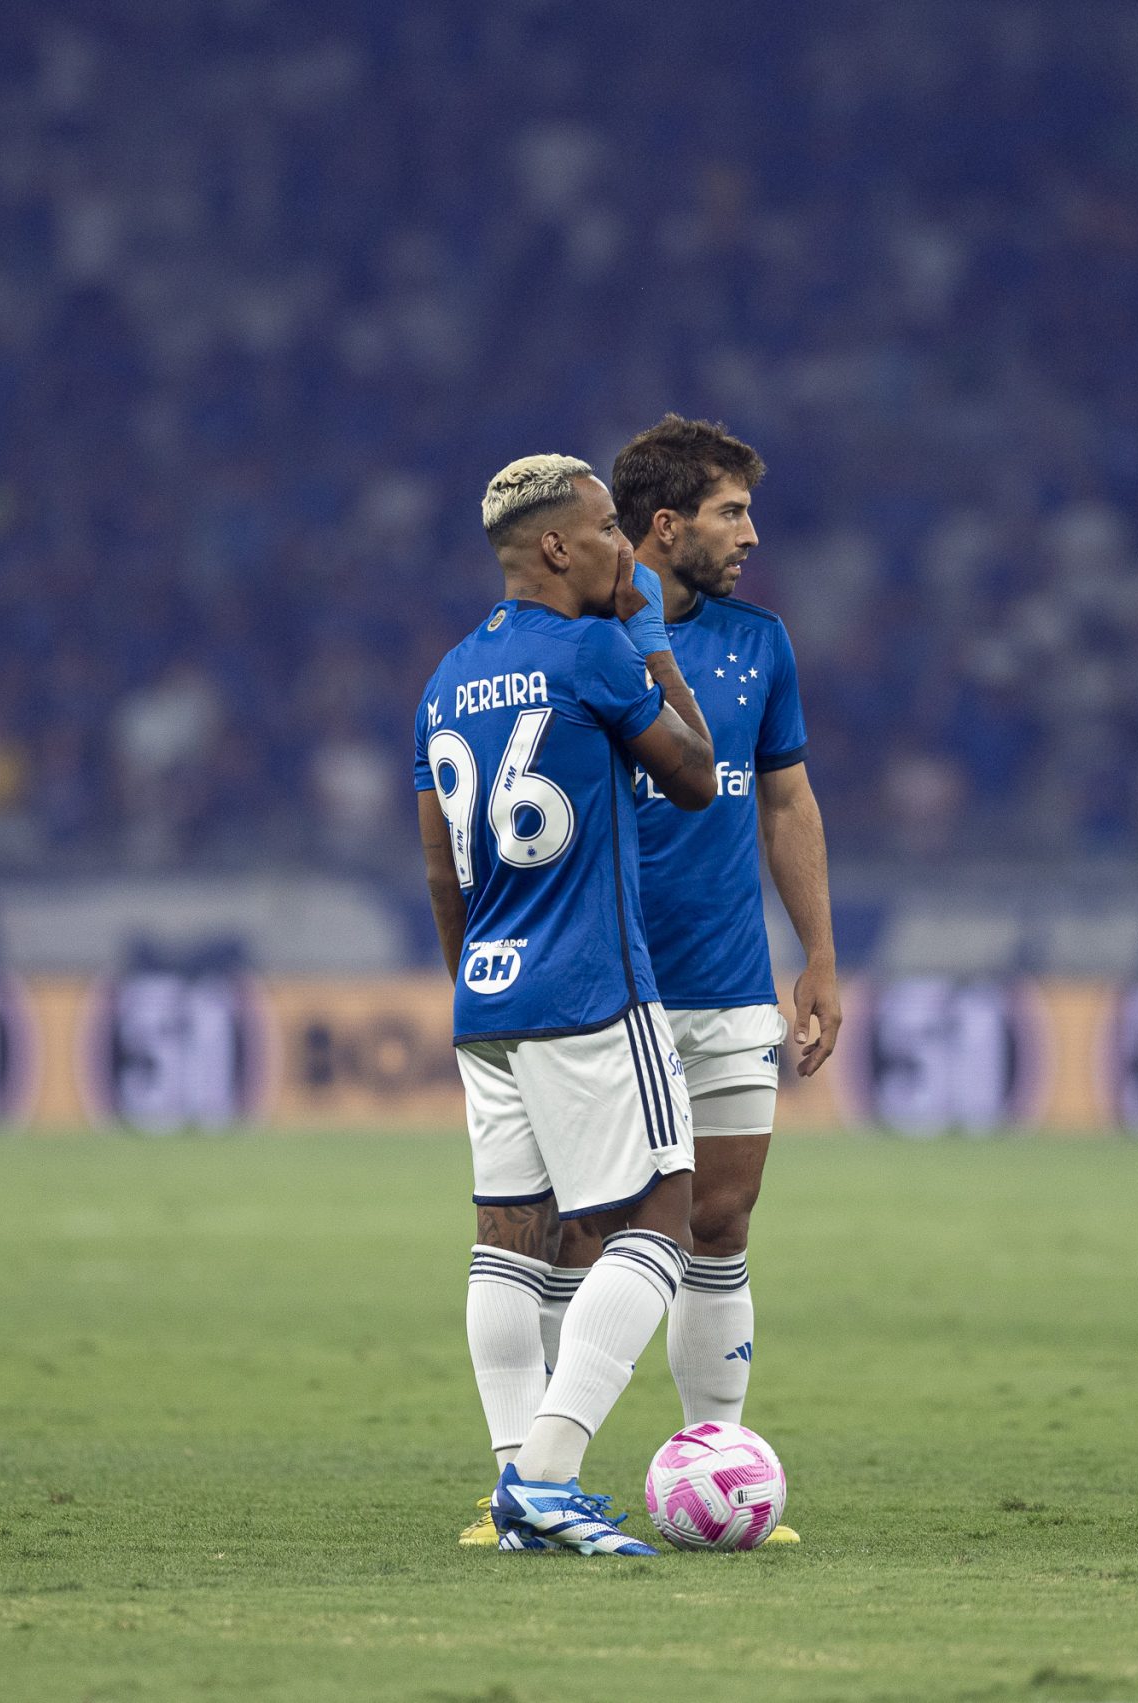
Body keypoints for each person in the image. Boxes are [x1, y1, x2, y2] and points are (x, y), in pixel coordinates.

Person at [462, 416, 839, 1548]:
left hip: (722, 977)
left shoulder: (760, 644)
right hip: (596, 985)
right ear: (663, 524)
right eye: (731, 512)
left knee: (716, 1221)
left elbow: (784, 800)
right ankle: (532, 1478)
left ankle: (711, 1459)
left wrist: (817, 952)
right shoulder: (566, 648)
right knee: (573, 1236)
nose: (750, 535)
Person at [416, 454, 717, 1555]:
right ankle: (544, 1476)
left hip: (483, 994)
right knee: (664, 1217)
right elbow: (696, 774)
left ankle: (510, 1485)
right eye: (607, 531)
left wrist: (474, 989)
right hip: (589, 985)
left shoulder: (446, 678)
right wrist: (650, 635)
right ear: (555, 547)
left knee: (510, 1238)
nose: (624, 552)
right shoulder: (595, 648)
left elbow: (442, 877)